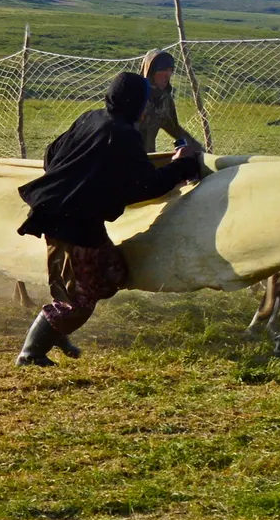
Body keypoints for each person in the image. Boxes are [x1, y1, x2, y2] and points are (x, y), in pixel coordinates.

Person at [12, 72, 205, 367]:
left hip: (67, 218)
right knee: (79, 299)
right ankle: (32, 352)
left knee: (111, 273)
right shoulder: (124, 135)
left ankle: (55, 330)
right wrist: (181, 165)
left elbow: (52, 154)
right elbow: (145, 185)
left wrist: (79, 178)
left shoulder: (92, 118)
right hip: (70, 223)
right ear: (137, 105)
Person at [136, 49, 199, 153]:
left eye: (170, 70)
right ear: (150, 71)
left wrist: (198, 150)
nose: (168, 74)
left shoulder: (165, 100)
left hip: (148, 160)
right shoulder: (133, 95)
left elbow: (175, 130)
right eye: (163, 70)